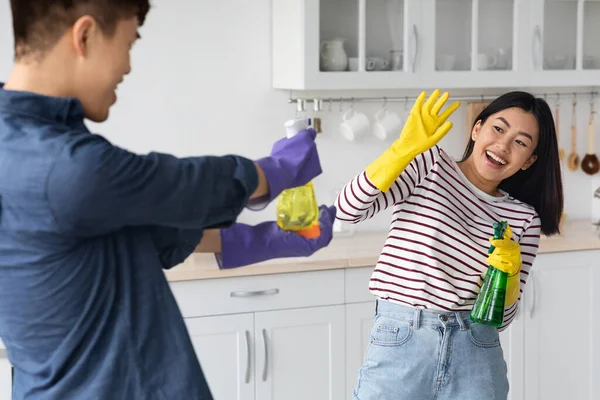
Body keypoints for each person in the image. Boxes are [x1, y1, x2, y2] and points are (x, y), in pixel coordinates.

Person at [0, 1, 335, 399]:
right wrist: (274, 171)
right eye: (128, 44)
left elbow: (149, 230)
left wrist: (270, 239)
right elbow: (181, 187)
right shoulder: (63, 167)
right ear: (85, 35)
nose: (127, 67)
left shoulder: (27, 147)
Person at [336, 89, 563, 399]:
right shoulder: (428, 166)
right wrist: (402, 149)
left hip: (477, 352)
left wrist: (507, 278)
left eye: (521, 142)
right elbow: (347, 210)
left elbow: (502, 319)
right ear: (477, 128)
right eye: (498, 128)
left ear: (529, 161)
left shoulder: (523, 219)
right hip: (403, 340)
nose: (503, 145)